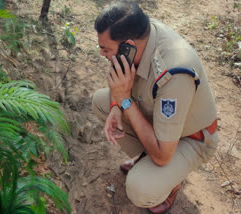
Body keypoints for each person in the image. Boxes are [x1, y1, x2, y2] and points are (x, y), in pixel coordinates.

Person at [91, 0, 219, 213]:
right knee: (102, 103)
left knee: (141, 188)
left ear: (128, 46)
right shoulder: (141, 35)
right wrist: (116, 104)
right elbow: (120, 86)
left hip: (193, 139)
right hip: (162, 122)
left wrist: (124, 101)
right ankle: (147, 160)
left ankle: (171, 182)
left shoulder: (174, 74)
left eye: (105, 49)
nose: (102, 55)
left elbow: (162, 155)